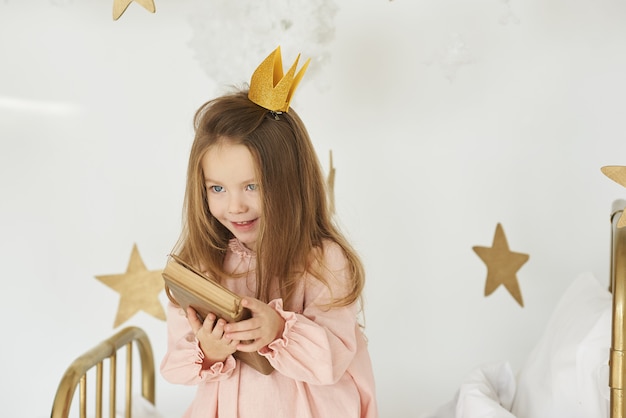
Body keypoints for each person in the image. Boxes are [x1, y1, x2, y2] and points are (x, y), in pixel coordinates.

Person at [160, 46, 378, 418]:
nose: (235, 207)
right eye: (217, 189)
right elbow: (176, 365)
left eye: (252, 186)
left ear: (289, 183)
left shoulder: (322, 260)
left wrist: (278, 330)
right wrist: (210, 350)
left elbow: (333, 360)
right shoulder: (202, 263)